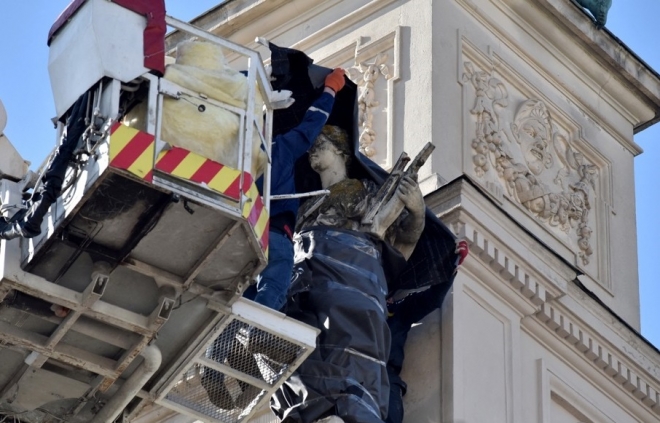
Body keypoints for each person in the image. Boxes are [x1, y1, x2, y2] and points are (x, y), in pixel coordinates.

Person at [271, 125, 427, 423]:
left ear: (341, 151)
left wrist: (417, 211)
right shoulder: (304, 205)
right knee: (303, 347)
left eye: (321, 143)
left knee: (346, 342)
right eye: (312, 144)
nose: (312, 149)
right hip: (307, 282)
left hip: (349, 280)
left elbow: (398, 243)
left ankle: (338, 406)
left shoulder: (363, 191)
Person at [243, 68, 347, 310]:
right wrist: (330, 90)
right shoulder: (279, 149)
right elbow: (312, 123)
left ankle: (228, 338)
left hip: (239, 231)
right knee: (273, 285)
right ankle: (259, 328)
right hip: (274, 233)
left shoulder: (235, 158)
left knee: (236, 293)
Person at [385, 239, 468, 423]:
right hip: (356, 373)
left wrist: (450, 266)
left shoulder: (398, 311)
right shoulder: (356, 305)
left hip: (385, 379)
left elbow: (432, 299)